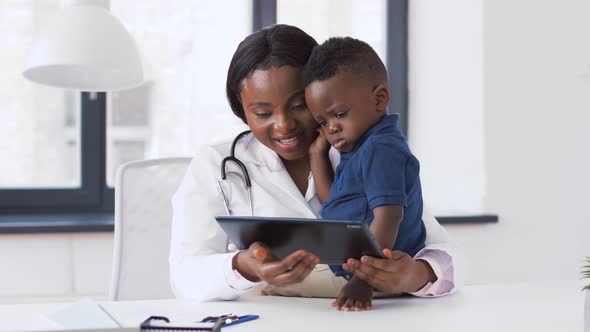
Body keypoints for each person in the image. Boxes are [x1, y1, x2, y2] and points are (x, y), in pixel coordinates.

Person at [169, 24, 461, 310]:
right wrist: (243, 267)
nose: (284, 125)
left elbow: (447, 255)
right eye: (262, 113)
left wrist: (417, 275)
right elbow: (183, 276)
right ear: (242, 112)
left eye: (299, 106)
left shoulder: (364, 150)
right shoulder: (215, 165)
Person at [304, 36, 427, 311]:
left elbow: (389, 215)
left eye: (340, 114)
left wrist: (363, 280)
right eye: (322, 122)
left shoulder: (381, 148)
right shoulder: (358, 147)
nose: (331, 128)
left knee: (272, 287)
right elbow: (333, 203)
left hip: (375, 279)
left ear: (379, 99)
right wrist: (317, 155)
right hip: (358, 275)